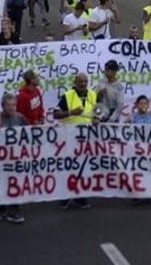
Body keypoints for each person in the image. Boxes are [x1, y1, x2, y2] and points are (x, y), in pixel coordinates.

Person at [53, 74, 96, 209]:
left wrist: (97, 119)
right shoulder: (68, 95)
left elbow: (98, 111)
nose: (83, 83)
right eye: (80, 81)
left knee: (83, 167)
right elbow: (55, 114)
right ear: (75, 82)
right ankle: (65, 197)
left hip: (86, 138)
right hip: (69, 137)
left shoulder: (93, 95)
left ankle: (80, 196)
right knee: (68, 167)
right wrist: (71, 112)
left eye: (85, 81)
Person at [0, 93, 26, 224]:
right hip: (0, 158)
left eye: (13, 105)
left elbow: (31, 132)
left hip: (16, 157)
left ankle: (14, 211)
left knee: (15, 184)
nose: (11, 108)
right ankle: (0, 209)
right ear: (2, 106)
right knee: (1, 183)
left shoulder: (20, 117)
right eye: (8, 105)